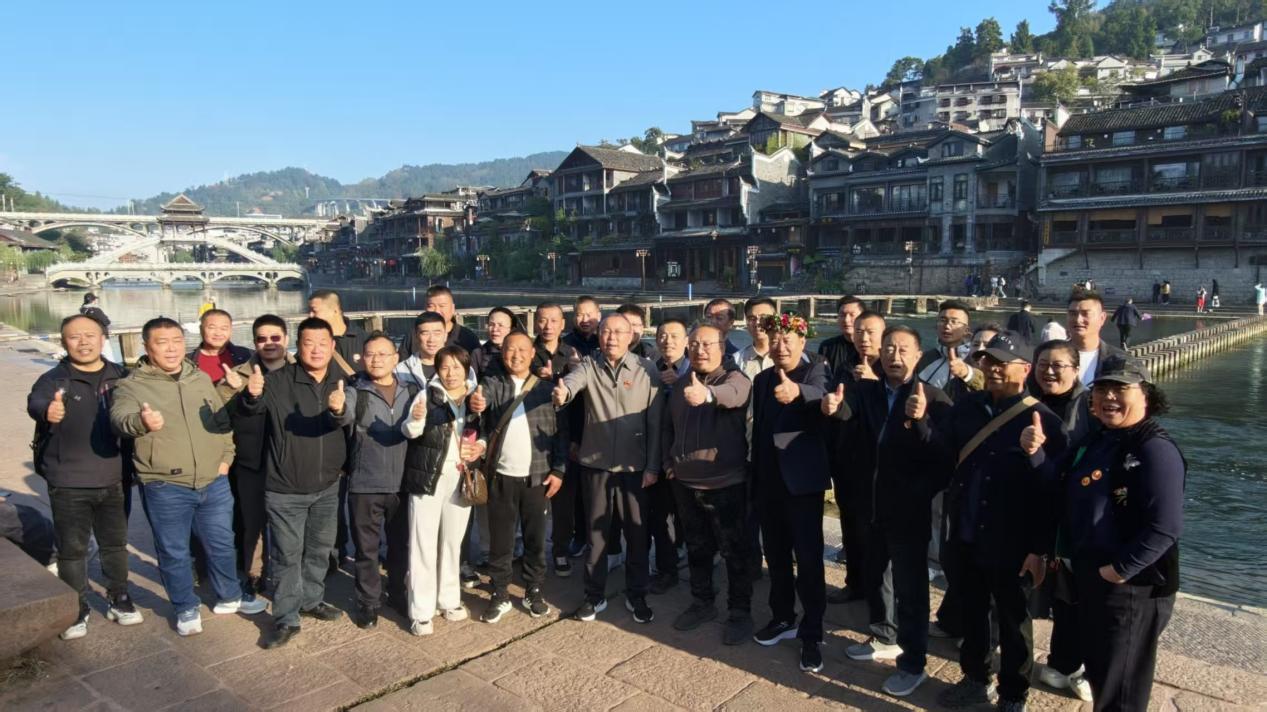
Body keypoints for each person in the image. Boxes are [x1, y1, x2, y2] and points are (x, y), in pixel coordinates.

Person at [924, 331, 1068, 710]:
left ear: (1024, 369)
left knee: (1014, 621)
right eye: (987, 361)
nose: (992, 368)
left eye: (1002, 363)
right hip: (966, 530)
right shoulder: (967, 407)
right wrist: (918, 420)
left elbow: (1053, 495)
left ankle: (1013, 694)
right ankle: (975, 678)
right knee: (972, 612)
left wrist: (1039, 549)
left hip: (1012, 541)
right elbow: (941, 453)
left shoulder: (1046, 423)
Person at [111, 317, 266, 637]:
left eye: (177, 341)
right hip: (165, 483)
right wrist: (141, 423)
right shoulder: (131, 385)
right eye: (162, 342)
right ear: (147, 347)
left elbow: (220, 420)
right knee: (174, 550)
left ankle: (230, 596)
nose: (171, 349)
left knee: (222, 543)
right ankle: (185, 605)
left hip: (213, 479)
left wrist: (226, 457)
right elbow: (120, 419)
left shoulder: (198, 377)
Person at [827, 326, 952, 697]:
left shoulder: (934, 398)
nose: (895, 356)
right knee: (876, 574)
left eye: (903, 350)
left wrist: (922, 421)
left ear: (918, 356)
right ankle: (885, 636)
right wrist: (832, 409)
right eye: (889, 349)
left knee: (911, 588)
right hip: (871, 504)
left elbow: (945, 458)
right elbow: (847, 413)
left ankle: (913, 663)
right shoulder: (867, 391)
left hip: (910, 510)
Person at [1060, 356, 1184, 712]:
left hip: (1132, 586)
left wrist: (1119, 570)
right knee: (1102, 672)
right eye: (1102, 388)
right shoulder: (1100, 439)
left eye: (1120, 388)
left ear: (1146, 395)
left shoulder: (1154, 448)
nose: (1109, 397)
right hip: (1094, 575)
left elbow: (1165, 527)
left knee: (1122, 685)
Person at [241, 317, 351, 649]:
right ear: (297, 346)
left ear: (332, 346)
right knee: (287, 555)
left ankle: (311, 600)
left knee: (319, 549)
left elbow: (347, 420)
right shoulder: (276, 382)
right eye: (308, 343)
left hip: (328, 486)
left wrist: (338, 412)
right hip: (285, 488)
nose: (316, 350)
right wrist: (251, 397)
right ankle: (286, 617)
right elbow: (250, 414)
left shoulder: (342, 381)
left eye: (322, 343)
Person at [28, 314, 140, 640]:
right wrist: (47, 411)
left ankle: (119, 596)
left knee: (115, 545)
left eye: (90, 335)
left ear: (103, 338)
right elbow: (36, 401)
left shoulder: (122, 377)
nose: (83, 342)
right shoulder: (53, 380)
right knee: (72, 550)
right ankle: (76, 607)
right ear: (64, 342)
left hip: (115, 478)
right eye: (74, 337)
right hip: (69, 481)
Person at [552, 313, 664, 624]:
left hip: (634, 466)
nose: (611, 338)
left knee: (637, 534)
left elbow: (655, 423)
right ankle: (594, 595)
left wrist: (652, 466)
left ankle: (637, 594)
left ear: (631, 337)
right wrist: (563, 392)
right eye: (605, 332)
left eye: (618, 332)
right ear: (599, 335)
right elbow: (573, 382)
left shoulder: (646, 369)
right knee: (595, 534)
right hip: (596, 465)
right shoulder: (590, 364)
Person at [661, 323, 754, 644]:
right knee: (697, 548)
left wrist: (708, 395)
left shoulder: (735, 378)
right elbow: (668, 427)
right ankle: (702, 602)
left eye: (707, 344)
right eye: (695, 345)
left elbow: (734, 395)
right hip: (685, 483)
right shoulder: (680, 383)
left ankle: (740, 612)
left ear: (723, 346)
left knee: (735, 553)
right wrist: (668, 463)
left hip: (726, 484)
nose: (700, 350)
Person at [749, 312, 832, 673]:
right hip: (769, 481)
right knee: (776, 555)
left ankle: (812, 632)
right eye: (775, 340)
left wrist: (798, 392)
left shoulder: (816, 371)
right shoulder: (762, 379)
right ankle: (782, 616)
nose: (780, 346)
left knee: (809, 559)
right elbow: (760, 430)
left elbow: (821, 395)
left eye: (788, 340)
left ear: (802, 342)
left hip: (802, 484)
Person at [477, 332, 566, 623]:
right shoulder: (493, 384)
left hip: (537, 478)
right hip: (501, 477)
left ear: (532, 354)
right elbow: (480, 405)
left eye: (522, 350)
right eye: (510, 349)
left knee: (535, 539)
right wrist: (476, 402)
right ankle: (500, 592)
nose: (516, 355)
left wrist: (558, 471)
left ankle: (534, 589)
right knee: (501, 541)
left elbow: (560, 435)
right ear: (502, 353)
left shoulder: (547, 389)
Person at [333, 332, 415, 630]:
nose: (376, 359)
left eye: (383, 354)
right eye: (370, 354)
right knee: (366, 548)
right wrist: (337, 408)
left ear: (395, 358)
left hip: (402, 483)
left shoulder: (412, 390)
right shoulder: (356, 390)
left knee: (400, 545)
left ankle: (398, 592)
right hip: (365, 484)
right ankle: (368, 601)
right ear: (362, 359)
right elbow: (344, 415)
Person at [401, 346, 484, 636]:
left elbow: (485, 431)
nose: (450, 373)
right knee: (422, 543)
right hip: (428, 476)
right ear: (437, 370)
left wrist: (480, 446)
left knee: (452, 541)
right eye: (444, 367)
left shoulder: (475, 396)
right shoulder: (427, 395)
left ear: (466, 369)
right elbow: (410, 431)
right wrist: (416, 419)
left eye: (456, 367)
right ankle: (421, 611)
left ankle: (448, 599)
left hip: (460, 477)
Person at [1030, 340, 1094, 703]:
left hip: (1072, 514)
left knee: (1075, 596)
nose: (1049, 372)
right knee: (1040, 590)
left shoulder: (1089, 407)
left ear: (1076, 370)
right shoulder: (1026, 400)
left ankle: (1074, 665)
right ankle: (1057, 661)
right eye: (1043, 364)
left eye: (1058, 366)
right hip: (1033, 509)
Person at [218, 315, 294, 596]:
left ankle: (289, 576)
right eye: (262, 338)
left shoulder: (300, 370)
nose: (269, 343)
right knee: (253, 523)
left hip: (290, 460)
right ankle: (254, 574)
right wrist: (233, 389)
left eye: (275, 337)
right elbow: (221, 416)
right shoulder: (237, 374)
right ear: (254, 342)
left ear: (286, 339)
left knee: (289, 525)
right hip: (252, 460)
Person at [530, 302, 584, 576]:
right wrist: (536, 379)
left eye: (553, 320)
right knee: (534, 501)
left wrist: (577, 439)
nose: (547, 326)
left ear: (563, 324)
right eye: (542, 320)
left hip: (566, 435)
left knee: (564, 502)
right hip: (533, 436)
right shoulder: (527, 352)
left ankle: (561, 550)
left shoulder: (574, 355)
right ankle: (533, 553)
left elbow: (583, 401)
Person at [646, 317, 689, 592]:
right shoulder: (650, 369)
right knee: (659, 517)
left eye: (674, 336)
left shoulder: (696, 370)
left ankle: (701, 578)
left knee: (690, 520)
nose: (667, 341)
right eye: (662, 335)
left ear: (686, 341)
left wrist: (682, 382)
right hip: (656, 456)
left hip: (686, 457)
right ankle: (666, 570)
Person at [916, 300, 985, 401]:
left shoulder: (976, 357)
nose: (947, 326)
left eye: (954, 322)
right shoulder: (925, 359)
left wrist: (966, 373)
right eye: (943, 320)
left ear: (966, 330)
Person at [1067, 291, 1128, 387]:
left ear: (1102, 318)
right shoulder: (1049, 357)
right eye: (1073, 314)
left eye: (1086, 314)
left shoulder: (1120, 359)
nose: (1078, 320)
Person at [308, 290, 367, 375]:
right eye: (309, 311)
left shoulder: (365, 340)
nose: (310, 316)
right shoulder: (310, 344)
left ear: (335, 311)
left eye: (314, 311)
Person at [188, 309, 252, 383]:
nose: (218, 333)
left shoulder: (247, 356)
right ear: (201, 329)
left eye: (224, 328)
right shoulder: (187, 362)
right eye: (212, 328)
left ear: (231, 331)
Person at [397, 312, 451, 385]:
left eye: (437, 333)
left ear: (445, 336)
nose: (431, 339)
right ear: (416, 336)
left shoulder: (460, 368)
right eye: (425, 333)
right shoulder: (400, 370)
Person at [817, 296, 865, 377]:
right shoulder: (827, 347)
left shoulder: (869, 347)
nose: (846, 320)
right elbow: (821, 376)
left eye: (852, 315)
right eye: (842, 315)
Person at [472, 306, 519, 377]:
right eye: (491, 325)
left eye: (500, 325)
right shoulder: (478, 354)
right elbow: (473, 381)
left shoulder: (521, 352)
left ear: (512, 329)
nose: (495, 329)